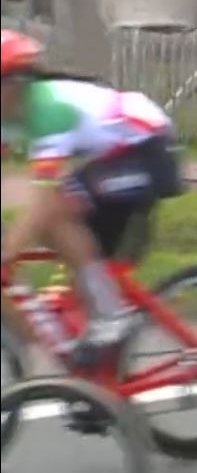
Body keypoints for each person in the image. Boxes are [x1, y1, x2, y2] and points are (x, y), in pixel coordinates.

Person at [1, 30, 183, 373]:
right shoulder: (9, 114)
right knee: (60, 238)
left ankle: (111, 317)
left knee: (54, 212)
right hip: (114, 157)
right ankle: (100, 375)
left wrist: (8, 250)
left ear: (13, 84)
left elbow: (43, 200)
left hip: (148, 149)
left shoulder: (47, 109)